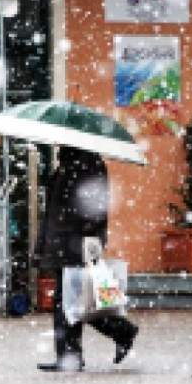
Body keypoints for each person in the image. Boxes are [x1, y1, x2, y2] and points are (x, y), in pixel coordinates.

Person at [34, 145, 139, 372]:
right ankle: (72, 355)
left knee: (76, 302)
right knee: (72, 302)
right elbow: (54, 212)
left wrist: (86, 238)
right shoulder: (68, 164)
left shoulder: (87, 165)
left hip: (77, 244)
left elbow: (93, 209)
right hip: (65, 243)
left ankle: (82, 351)